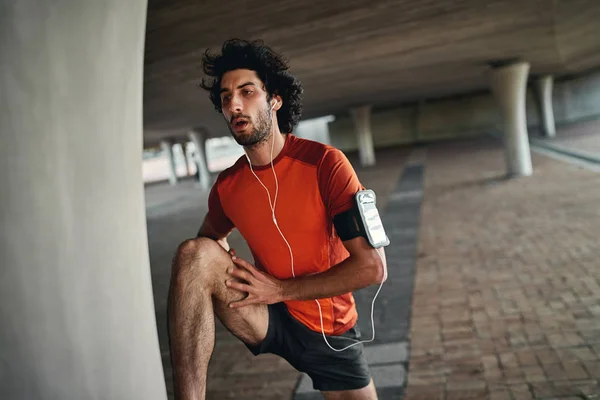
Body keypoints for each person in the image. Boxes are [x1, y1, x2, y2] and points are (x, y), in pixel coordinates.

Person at [167, 38, 387, 400]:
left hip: (330, 330)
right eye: (225, 97)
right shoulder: (228, 185)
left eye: (247, 91)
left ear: (274, 100)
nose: (234, 104)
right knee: (192, 254)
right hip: (266, 314)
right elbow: (207, 245)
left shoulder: (325, 164)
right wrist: (231, 269)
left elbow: (372, 268)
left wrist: (281, 289)